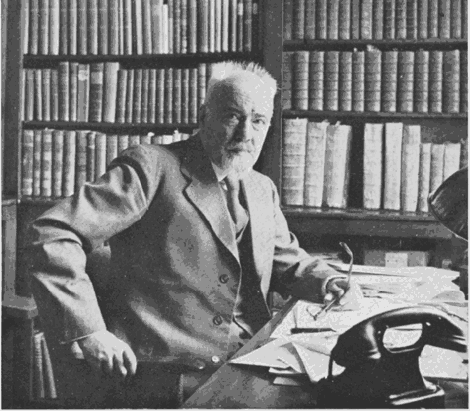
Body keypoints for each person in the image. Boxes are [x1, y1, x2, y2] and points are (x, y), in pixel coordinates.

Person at [30, 61, 363, 408]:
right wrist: (90, 330)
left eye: (258, 120)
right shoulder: (152, 167)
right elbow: (54, 231)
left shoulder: (261, 187)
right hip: (170, 372)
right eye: (233, 116)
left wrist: (327, 280)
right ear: (204, 116)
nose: (246, 134)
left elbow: (284, 258)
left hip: (253, 356)